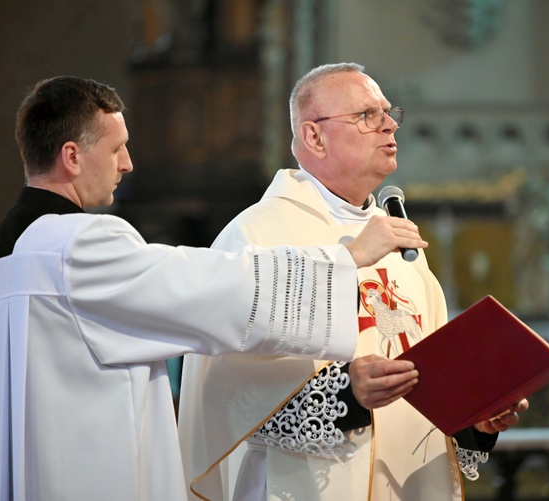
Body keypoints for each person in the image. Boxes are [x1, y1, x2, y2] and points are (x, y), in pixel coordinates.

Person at [0, 75, 428, 501]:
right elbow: (217, 288)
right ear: (73, 157)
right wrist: (344, 260)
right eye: (117, 148)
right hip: (85, 473)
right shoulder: (81, 247)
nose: (127, 163)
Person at [179, 62, 529, 501]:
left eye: (389, 113)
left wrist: (474, 417)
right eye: (367, 115)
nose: (389, 126)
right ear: (313, 136)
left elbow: (431, 373)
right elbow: (225, 396)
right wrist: (347, 394)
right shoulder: (255, 236)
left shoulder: (399, 240)